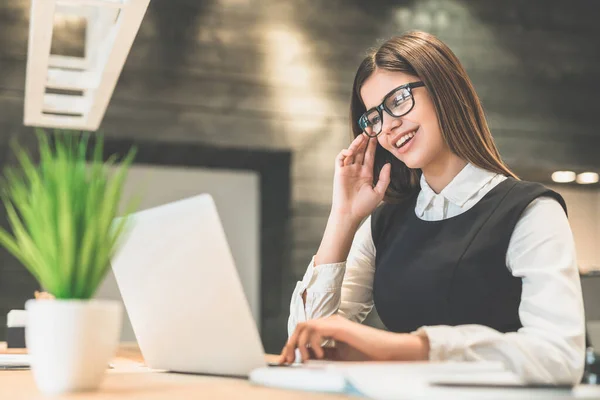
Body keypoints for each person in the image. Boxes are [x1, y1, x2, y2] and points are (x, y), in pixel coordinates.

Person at [279, 30, 585, 384]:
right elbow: (305, 344)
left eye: (398, 100)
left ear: (444, 89)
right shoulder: (384, 224)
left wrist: (415, 348)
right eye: (374, 117)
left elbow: (561, 356)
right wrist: (343, 218)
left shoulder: (530, 211)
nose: (389, 125)